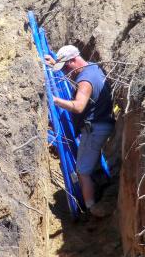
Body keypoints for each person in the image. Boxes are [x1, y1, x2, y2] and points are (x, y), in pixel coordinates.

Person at [44, 45, 114, 217]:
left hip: (94, 130)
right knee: (92, 160)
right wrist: (56, 65)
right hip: (102, 124)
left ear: (74, 60)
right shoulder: (91, 67)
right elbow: (76, 79)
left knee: (82, 171)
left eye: (66, 66)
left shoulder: (85, 81)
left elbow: (78, 106)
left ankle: (91, 208)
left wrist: (54, 100)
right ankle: (102, 184)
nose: (67, 71)